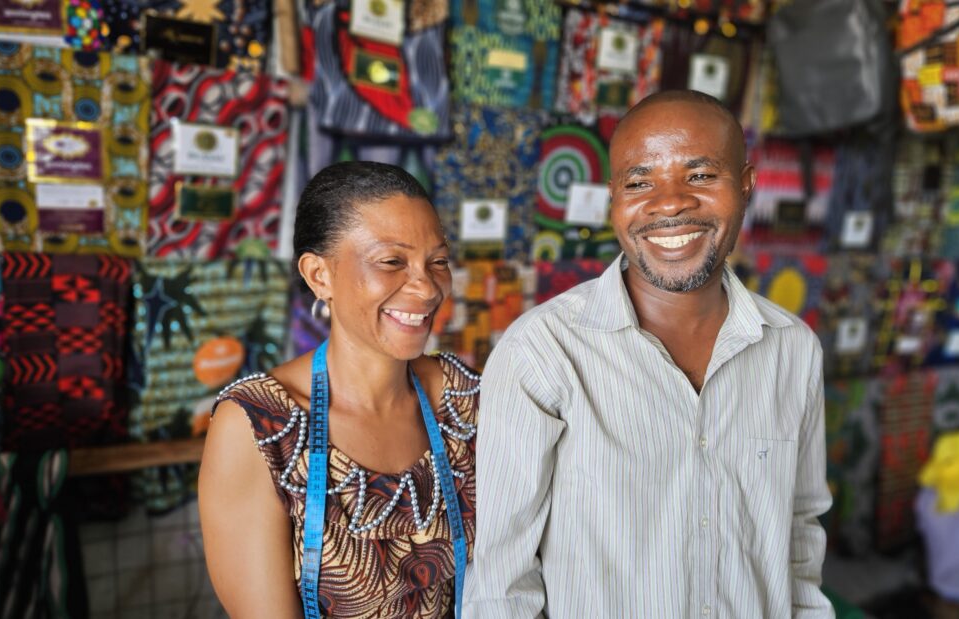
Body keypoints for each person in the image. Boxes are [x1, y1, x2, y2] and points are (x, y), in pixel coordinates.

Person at [465, 90, 833, 618]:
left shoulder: (793, 350)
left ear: (747, 185)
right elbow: (502, 581)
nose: (669, 202)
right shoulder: (542, 353)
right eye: (639, 182)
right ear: (613, 200)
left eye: (701, 176)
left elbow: (799, 531)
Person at [200, 161, 480, 618]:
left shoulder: (464, 401)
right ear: (319, 275)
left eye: (438, 261)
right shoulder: (261, 427)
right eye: (392, 262)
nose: (427, 287)